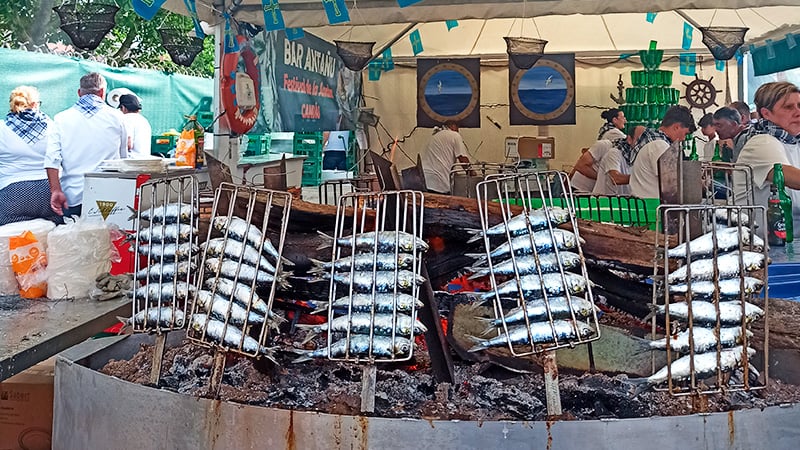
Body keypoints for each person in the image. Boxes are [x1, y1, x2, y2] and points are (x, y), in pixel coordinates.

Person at [45, 72, 128, 217]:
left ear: (79, 92)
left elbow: (52, 159)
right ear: (102, 92)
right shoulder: (118, 117)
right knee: (108, 238)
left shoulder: (61, 118)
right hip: (109, 194)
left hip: (72, 195)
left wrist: (56, 190)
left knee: (75, 238)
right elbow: (123, 159)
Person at [733, 81, 800, 231]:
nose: (798, 112)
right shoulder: (761, 142)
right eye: (788, 107)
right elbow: (789, 177)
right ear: (766, 113)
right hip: (760, 246)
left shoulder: (795, 142)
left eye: (799, 106)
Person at [0, 86, 61, 226]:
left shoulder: (2, 128)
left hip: (13, 194)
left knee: (12, 241)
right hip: (51, 191)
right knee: (53, 238)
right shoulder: (52, 126)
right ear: (35, 104)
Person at [628, 105, 696, 199]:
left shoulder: (654, 141)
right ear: (676, 127)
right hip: (650, 207)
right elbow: (671, 182)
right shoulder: (659, 145)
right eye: (685, 133)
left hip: (645, 204)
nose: (683, 138)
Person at [592, 126, 646, 196]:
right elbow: (616, 179)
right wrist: (642, 177)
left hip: (621, 202)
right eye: (640, 140)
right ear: (629, 139)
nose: (643, 143)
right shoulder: (614, 153)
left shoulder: (639, 157)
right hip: (603, 203)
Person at [420, 120, 470, 194]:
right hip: (439, 183)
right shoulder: (454, 135)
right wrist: (471, 172)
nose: (458, 131)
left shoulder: (435, 136)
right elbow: (462, 159)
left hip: (425, 180)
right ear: (453, 126)